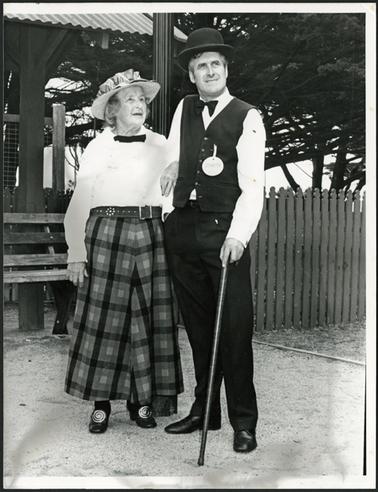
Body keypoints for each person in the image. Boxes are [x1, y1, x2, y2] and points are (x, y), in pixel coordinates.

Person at [160, 28, 266, 453]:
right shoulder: (184, 107)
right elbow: (173, 155)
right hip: (183, 230)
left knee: (234, 330)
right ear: (191, 73)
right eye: (201, 65)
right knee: (201, 330)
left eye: (215, 65)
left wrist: (239, 236)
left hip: (224, 234)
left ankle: (244, 421)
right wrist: (169, 209)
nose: (209, 71)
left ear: (226, 70)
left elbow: (253, 184)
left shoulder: (247, 115)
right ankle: (206, 411)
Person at [64, 69, 183, 434]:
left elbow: (177, 191)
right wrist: (75, 252)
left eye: (142, 100)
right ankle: (101, 405)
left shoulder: (164, 145)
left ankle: (141, 403)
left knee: (146, 319)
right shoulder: (99, 146)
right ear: (112, 110)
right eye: (129, 100)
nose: (138, 105)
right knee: (104, 320)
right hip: (106, 233)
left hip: (150, 232)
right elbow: (81, 199)